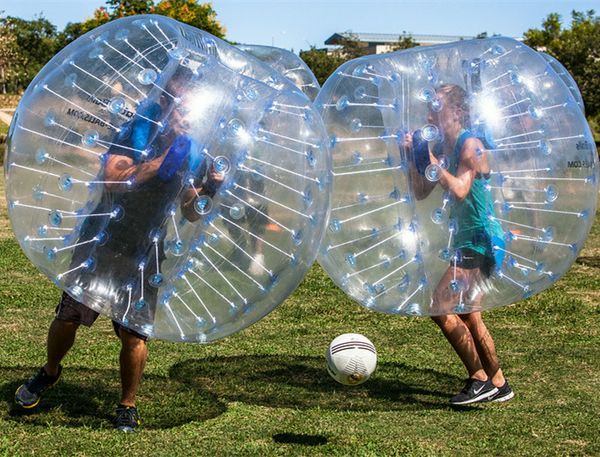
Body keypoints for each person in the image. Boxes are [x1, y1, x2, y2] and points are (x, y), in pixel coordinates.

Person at [15, 68, 224, 431]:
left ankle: (127, 403)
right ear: (163, 101)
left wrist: (211, 189)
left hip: (146, 248)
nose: (184, 110)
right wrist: (162, 160)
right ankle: (49, 372)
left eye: (190, 104)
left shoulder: (195, 152)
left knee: (134, 332)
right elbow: (113, 179)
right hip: (103, 237)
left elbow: (189, 212)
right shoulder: (136, 133)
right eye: (178, 101)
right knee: (69, 316)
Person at [406, 84, 513, 405]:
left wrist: (434, 163)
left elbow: (460, 190)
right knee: (470, 314)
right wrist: (414, 157)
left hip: (480, 239)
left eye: (436, 106)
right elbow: (421, 192)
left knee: (440, 306)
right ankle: (498, 382)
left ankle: (478, 379)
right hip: (469, 238)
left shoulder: (470, 146)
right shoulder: (448, 147)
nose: (429, 114)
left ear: (456, 111)